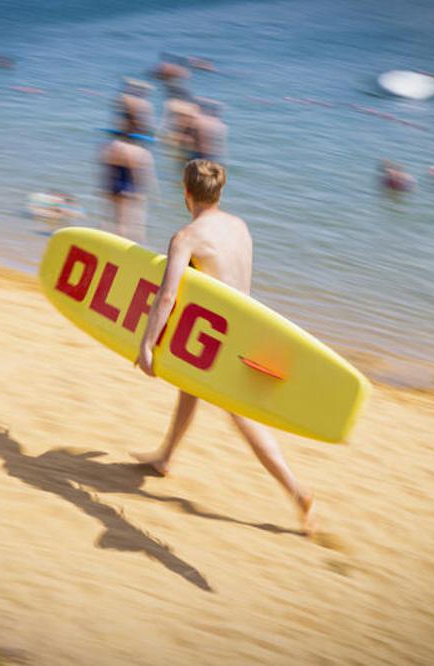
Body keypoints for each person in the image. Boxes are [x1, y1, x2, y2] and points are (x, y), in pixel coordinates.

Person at [132, 160, 317, 534]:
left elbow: (167, 295)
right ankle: (165, 457)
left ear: (186, 193)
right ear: (220, 192)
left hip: (219, 340)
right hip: (243, 329)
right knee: (190, 386)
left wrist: (148, 344)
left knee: (241, 416)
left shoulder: (186, 238)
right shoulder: (240, 227)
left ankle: (297, 492)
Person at [99, 127, 156, 241]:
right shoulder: (137, 151)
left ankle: (106, 238)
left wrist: (105, 187)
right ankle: (124, 242)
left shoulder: (111, 146)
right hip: (127, 185)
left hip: (113, 184)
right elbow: (137, 174)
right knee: (127, 220)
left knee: (113, 216)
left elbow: (106, 168)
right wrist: (140, 192)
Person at [181, 98, 227, 162]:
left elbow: (186, 135)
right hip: (215, 155)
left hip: (199, 153)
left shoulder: (197, 120)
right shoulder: (220, 124)